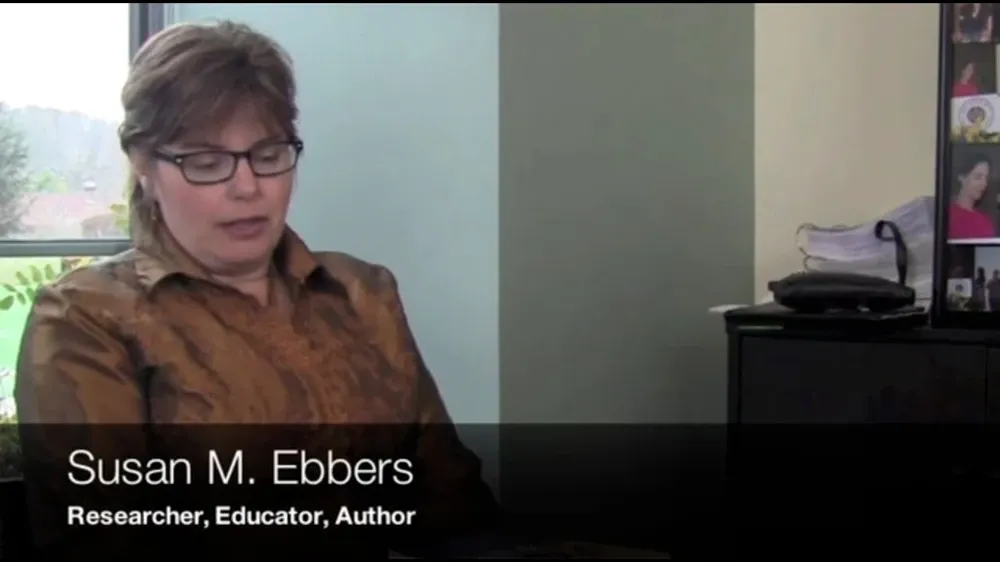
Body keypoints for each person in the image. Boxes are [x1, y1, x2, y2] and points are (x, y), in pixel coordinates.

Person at [13, 20, 505, 559]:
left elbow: (449, 507)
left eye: (268, 156)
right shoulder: (87, 319)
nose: (247, 188)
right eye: (206, 163)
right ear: (142, 164)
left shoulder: (362, 293)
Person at [949, 154, 997, 240]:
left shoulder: (985, 221)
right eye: (978, 177)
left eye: (986, 178)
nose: (984, 184)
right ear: (962, 178)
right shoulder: (947, 216)